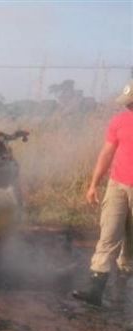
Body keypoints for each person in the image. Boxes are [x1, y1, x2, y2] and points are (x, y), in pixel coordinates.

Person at [72, 80, 133, 306]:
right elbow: (106, 153)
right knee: (109, 234)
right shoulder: (119, 121)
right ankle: (95, 289)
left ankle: (122, 293)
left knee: (131, 243)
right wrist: (93, 185)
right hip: (117, 185)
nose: (129, 106)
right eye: (128, 103)